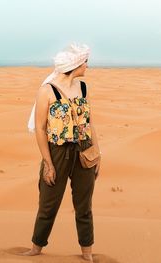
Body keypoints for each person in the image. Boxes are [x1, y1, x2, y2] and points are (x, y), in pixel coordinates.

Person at [22, 43, 101, 262]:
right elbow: (40, 128)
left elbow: (89, 122)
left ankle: (87, 253)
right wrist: (48, 163)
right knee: (48, 204)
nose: (87, 65)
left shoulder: (83, 88)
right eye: (85, 61)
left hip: (84, 151)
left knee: (84, 206)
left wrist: (97, 153)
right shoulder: (47, 90)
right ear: (75, 64)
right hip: (57, 152)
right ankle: (36, 247)